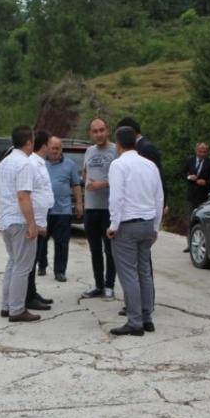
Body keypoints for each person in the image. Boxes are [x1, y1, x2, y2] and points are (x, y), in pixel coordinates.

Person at [107, 126, 164, 336]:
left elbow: (116, 198)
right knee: (144, 272)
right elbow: (159, 198)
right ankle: (147, 317)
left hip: (128, 224)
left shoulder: (118, 165)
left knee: (129, 273)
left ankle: (135, 321)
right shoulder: (150, 165)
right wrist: (156, 226)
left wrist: (113, 225)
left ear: (118, 143)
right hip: (147, 223)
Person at [0, 126, 41, 322]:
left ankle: (7, 305)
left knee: (13, 263)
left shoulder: (4, 163)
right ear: (28, 142)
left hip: (6, 219)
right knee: (23, 267)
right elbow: (23, 196)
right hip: (19, 220)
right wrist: (32, 223)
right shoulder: (24, 164)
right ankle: (17, 309)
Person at [82, 118, 118, 301]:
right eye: (95, 131)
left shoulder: (115, 151)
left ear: (108, 130)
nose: (99, 134)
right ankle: (98, 284)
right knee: (94, 248)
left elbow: (122, 180)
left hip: (108, 208)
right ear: (90, 133)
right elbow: (85, 172)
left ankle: (110, 285)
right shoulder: (88, 151)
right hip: (91, 207)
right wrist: (87, 182)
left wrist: (102, 184)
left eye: (101, 130)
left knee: (110, 249)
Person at [44, 136, 83, 283]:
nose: (55, 151)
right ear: (47, 147)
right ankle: (41, 265)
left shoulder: (70, 164)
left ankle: (60, 271)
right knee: (41, 242)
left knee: (62, 243)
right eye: (52, 147)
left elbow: (76, 185)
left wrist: (79, 204)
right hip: (44, 211)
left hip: (63, 210)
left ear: (61, 149)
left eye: (57, 148)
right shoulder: (40, 163)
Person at [25, 130, 55, 311]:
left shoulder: (40, 163)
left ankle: (32, 291)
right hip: (36, 220)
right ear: (43, 145)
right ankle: (28, 296)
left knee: (35, 259)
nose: (52, 148)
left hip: (43, 217)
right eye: (50, 144)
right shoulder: (32, 164)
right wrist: (36, 223)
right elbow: (31, 196)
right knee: (30, 260)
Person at [181, 142, 210, 252]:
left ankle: (203, 244)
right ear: (196, 150)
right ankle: (190, 244)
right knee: (190, 220)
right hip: (192, 195)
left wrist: (205, 182)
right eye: (200, 151)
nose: (202, 154)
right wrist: (189, 177)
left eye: (204, 152)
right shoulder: (190, 160)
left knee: (202, 221)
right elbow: (182, 173)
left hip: (204, 196)